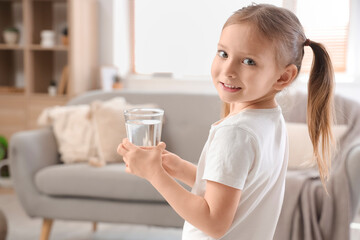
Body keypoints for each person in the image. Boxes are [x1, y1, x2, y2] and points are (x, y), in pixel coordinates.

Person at [117, 3, 335, 239]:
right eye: (223, 53)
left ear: (283, 77)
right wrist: (180, 169)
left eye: (249, 61)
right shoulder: (270, 120)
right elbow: (236, 188)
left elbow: (214, 222)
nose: (228, 69)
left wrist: (154, 174)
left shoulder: (236, 132)